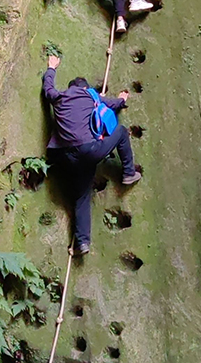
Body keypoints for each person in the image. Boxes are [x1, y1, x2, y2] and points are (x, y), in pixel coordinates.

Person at [43, 55, 142, 255]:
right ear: (85, 88)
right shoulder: (90, 96)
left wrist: (51, 67)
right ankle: (128, 173)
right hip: (89, 151)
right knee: (121, 132)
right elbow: (110, 105)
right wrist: (122, 100)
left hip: (66, 157)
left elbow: (47, 89)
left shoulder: (59, 97)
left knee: (82, 196)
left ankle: (82, 243)